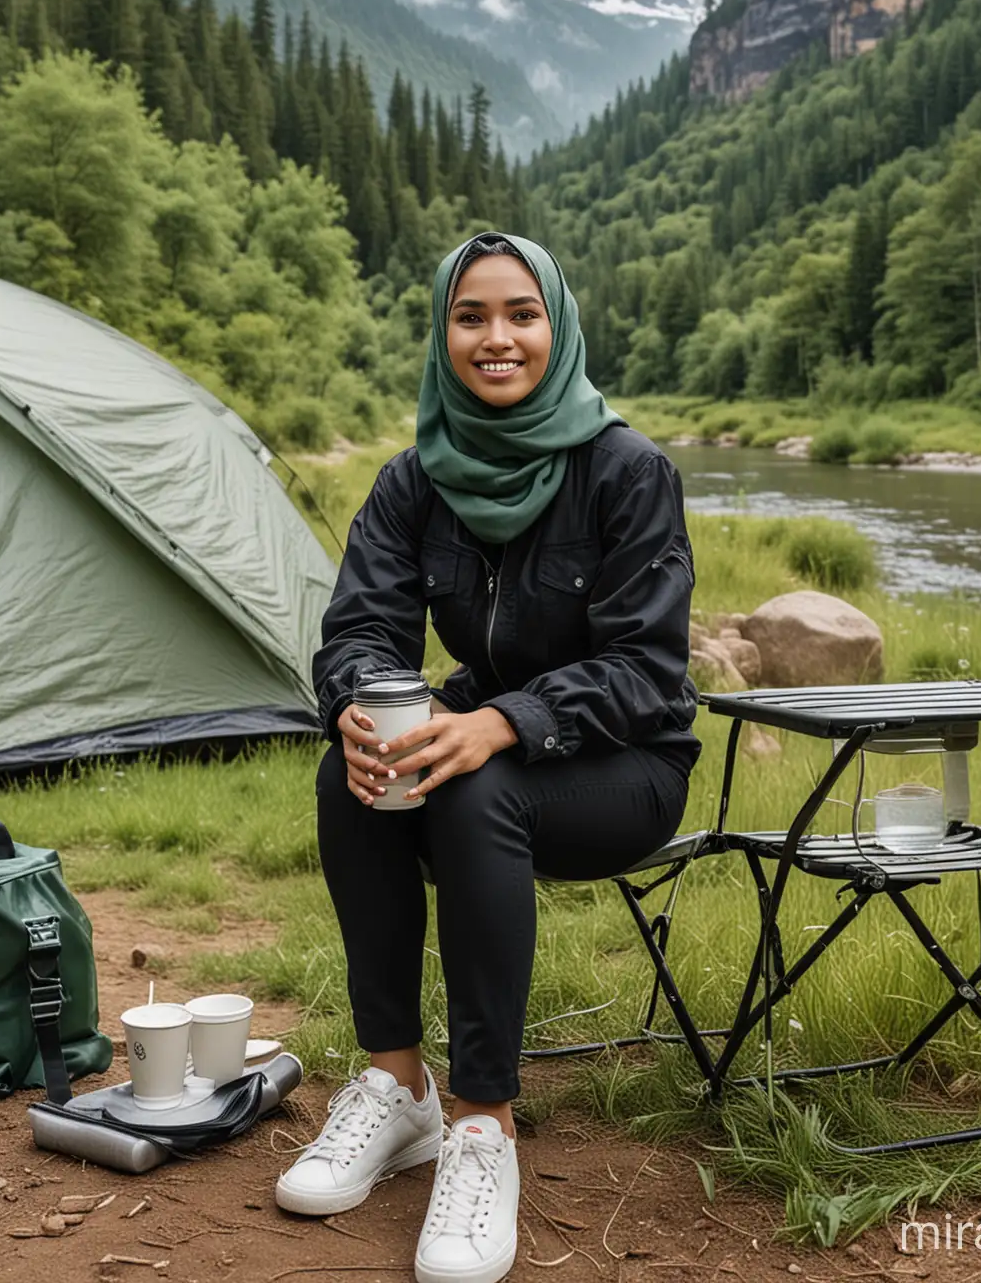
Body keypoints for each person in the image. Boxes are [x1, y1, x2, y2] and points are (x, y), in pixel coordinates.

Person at [276, 231, 699, 1283]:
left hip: (625, 765)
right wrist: (360, 710)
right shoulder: (417, 478)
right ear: (442, 333)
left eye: (522, 314)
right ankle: (397, 1089)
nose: (497, 337)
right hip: (491, 744)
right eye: (471, 317)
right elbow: (358, 630)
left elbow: (649, 670)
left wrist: (504, 721)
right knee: (356, 772)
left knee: (476, 790)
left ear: (557, 329)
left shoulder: (627, 471)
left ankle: (482, 1124)